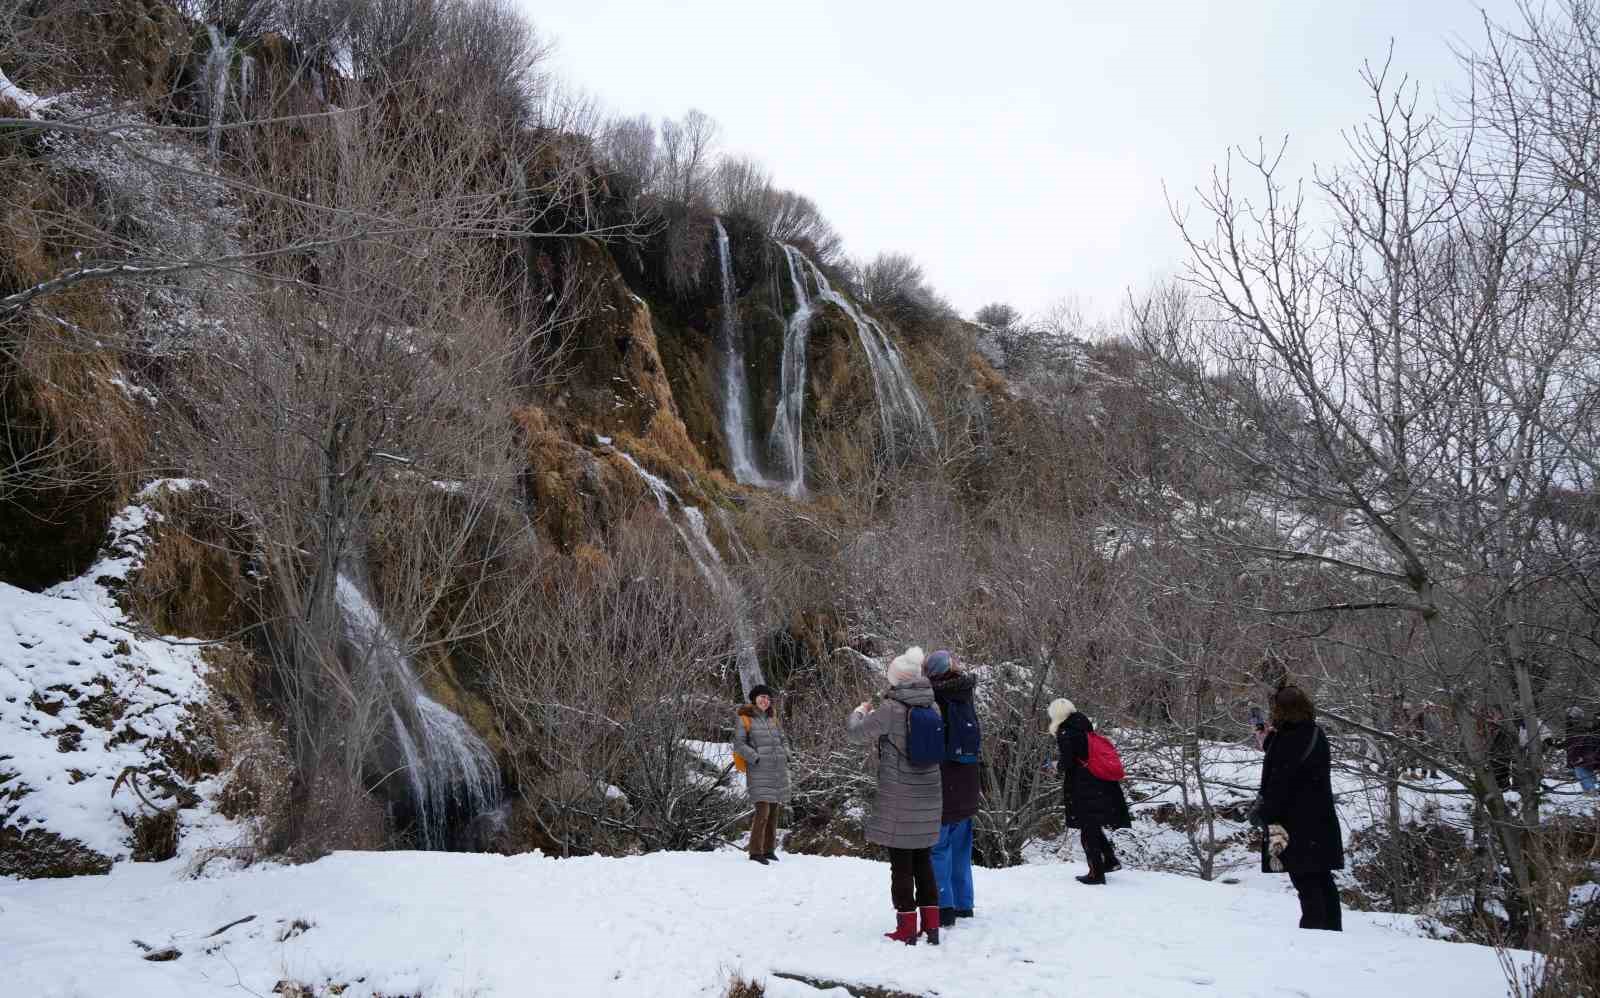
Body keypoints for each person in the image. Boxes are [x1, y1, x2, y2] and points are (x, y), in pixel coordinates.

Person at [848, 647, 944, 945]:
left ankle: (905, 928)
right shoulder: (933, 707)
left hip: (901, 798)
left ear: (897, 679)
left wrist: (859, 711)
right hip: (930, 796)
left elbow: (855, 733)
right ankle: (932, 926)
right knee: (924, 862)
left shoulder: (890, 709)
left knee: (901, 865)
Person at [1258, 685, 1345, 931]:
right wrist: (1269, 742)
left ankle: (1314, 934)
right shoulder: (1315, 733)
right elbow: (1295, 761)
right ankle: (1332, 931)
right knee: (1322, 879)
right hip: (1319, 821)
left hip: (1291, 823)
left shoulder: (1287, 740)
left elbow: (1280, 780)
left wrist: (1263, 815)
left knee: (1305, 881)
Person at [1048, 698, 1131, 885]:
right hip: (1101, 782)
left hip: (1083, 784)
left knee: (1087, 827)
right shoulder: (1085, 727)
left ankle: (1096, 873)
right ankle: (1110, 860)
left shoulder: (1065, 731)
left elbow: (1068, 762)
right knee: (1092, 824)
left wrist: (1056, 765)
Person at [925, 649, 980, 928]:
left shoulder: (933, 700)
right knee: (961, 848)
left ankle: (943, 907)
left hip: (943, 786)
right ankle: (964, 904)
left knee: (938, 849)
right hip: (968, 785)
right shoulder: (965, 695)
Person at [733, 684, 789, 865]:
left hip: (776, 770)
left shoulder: (773, 719)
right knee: (763, 810)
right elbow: (739, 745)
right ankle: (756, 851)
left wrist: (786, 753)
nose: (765, 700)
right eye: (761, 697)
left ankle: (769, 849)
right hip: (758, 770)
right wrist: (756, 758)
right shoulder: (744, 719)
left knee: (774, 810)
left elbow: (783, 739)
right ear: (754, 699)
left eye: (767, 697)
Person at [1566, 707, 1600, 793]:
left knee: (1583, 774)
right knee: (1587, 774)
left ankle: (1591, 793)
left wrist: (1576, 758)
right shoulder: (1583, 727)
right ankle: (1592, 791)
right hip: (1587, 757)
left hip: (1583, 757)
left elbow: (1577, 744)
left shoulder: (1577, 728)